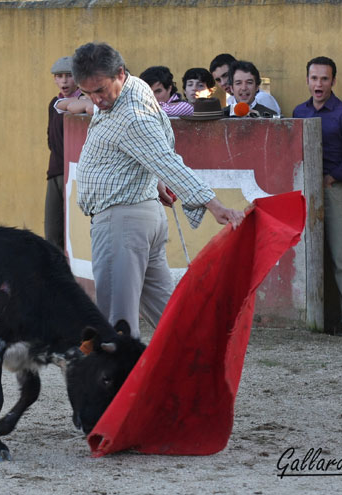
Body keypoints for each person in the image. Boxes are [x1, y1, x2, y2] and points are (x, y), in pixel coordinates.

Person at [71, 42, 245, 338]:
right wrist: (155, 180)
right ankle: (203, 366)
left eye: (100, 90)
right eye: (87, 93)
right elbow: (158, 141)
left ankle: (124, 384)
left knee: (117, 322)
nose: (96, 100)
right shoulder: (135, 87)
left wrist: (214, 205)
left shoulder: (131, 116)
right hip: (142, 216)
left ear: (119, 74)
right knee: (171, 316)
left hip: (121, 221)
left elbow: (166, 159)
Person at [293, 56, 342, 337]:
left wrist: (330, 178)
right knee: (306, 255)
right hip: (302, 191)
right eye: (314, 78)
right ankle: (312, 318)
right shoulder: (299, 111)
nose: (318, 84)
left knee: (340, 255)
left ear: (333, 81)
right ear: (307, 80)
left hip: (332, 191)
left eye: (324, 78)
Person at [45, 56, 80, 250]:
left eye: (69, 76)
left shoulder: (85, 102)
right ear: (55, 80)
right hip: (56, 171)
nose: (64, 81)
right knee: (53, 232)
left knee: (74, 234)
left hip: (76, 173)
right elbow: (51, 137)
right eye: (60, 76)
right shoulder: (54, 103)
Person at [210, 54, 281, 115]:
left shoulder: (264, 103)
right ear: (232, 87)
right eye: (238, 83)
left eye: (249, 82)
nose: (244, 88)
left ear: (257, 86)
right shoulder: (224, 112)